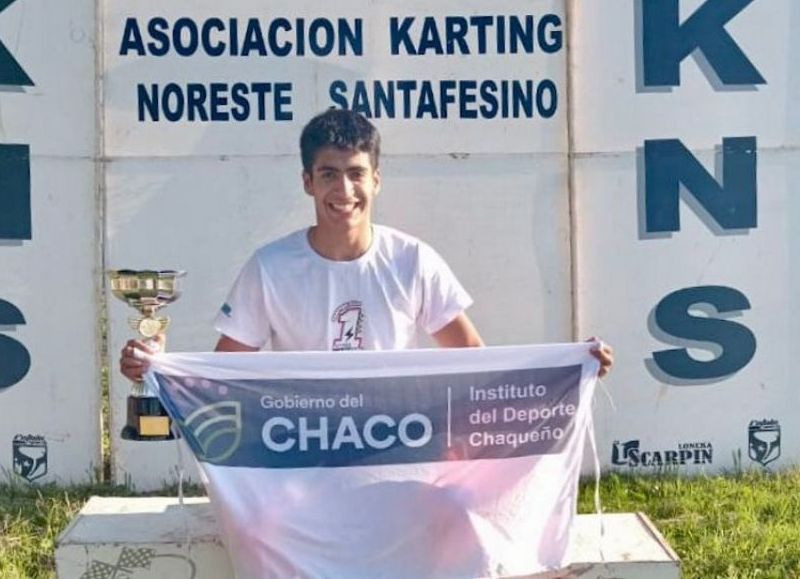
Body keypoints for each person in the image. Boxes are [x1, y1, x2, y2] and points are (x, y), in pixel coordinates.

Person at [121, 108, 613, 378]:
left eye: (356, 174)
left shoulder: (412, 260)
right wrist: (157, 368)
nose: (344, 190)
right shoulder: (270, 267)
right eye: (328, 174)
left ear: (376, 180)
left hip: (395, 444)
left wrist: (569, 370)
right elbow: (221, 375)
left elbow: (474, 362)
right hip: (301, 448)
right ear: (307, 182)